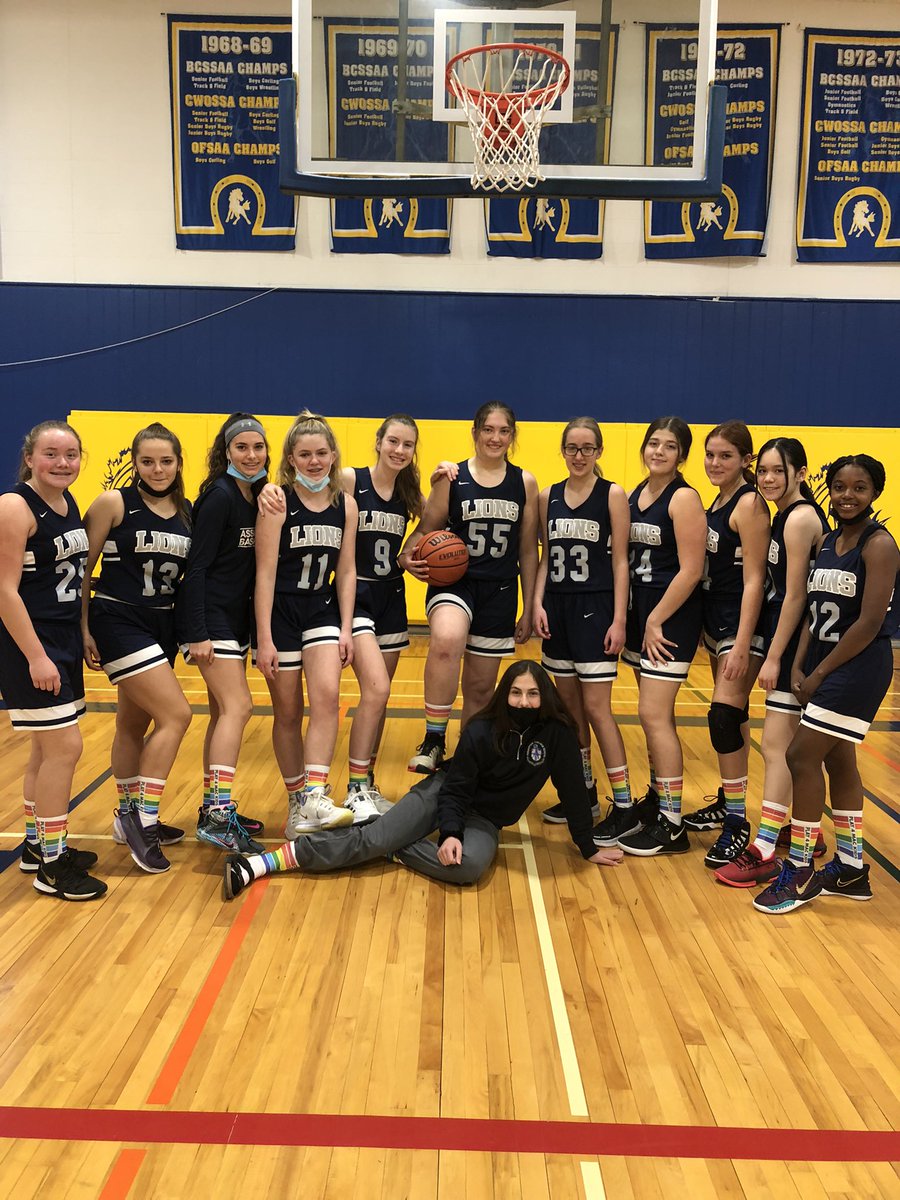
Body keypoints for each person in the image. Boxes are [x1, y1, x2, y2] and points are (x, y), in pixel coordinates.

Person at [221, 660, 624, 899]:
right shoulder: (483, 730)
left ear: (545, 697)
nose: (523, 702)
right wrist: (448, 831)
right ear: (505, 695)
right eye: (516, 693)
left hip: (483, 819)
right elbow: (459, 786)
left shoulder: (558, 735)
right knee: (371, 840)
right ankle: (260, 864)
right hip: (443, 794)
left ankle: (393, 842)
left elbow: (573, 790)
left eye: (532, 694)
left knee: (467, 868)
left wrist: (587, 846)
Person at [754, 454, 899, 914]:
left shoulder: (879, 546)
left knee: (799, 754)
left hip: (858, 666)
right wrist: (799, 665)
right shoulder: (829, 541)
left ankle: (799, 871)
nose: (847, 496)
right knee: (839, 759)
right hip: (821, 660)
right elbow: (813, 616)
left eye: (859, 488)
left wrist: (818, 673)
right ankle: (853, 868)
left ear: (874, 492)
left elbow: (870, 622)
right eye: (839, 486)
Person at [400, 402, 539, 774]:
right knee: (446, 640)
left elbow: (527, 548)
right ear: (475, 432)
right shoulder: (452, 477)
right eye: (488, 430)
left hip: (500, 590)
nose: (495, 438)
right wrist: (405, 557)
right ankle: (433, 739)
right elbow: (426, 530)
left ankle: (465, 759)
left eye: (504, 431)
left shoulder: (524, 482)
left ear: (512, 436)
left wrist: (528, 605)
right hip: (455, 583)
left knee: (480, 688)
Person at [714, 438, 829, 886]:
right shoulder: (784, 514)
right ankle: (807, 831)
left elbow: (796, 596)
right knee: (789, 747)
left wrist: (775, 656)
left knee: (779, 746)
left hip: (802, 646)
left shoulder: (800, 519)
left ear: (800, 473)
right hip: (798, 641)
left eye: (777, 471)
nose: (767, 479)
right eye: (762, 471)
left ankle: (763, 847)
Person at [0, 420, 105, 900]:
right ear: (29, 458)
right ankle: (53, 865)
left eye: (70, 454)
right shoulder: (14, 507)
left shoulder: (67, 503)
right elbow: (4, 590)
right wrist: (37, 657)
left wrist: (79, 634)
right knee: (65, 748)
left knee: (46, 749)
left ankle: (35, 846)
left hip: (61, 637)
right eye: (51, 454)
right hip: (31, 642)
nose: (62, 463)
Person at [81, 423, 192, 874]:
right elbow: (79, 573)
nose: (157, 469)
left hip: (161, 624)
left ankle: (122, 814)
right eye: (147, 461)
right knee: (177, 716)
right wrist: (83, 629)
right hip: (118, 617)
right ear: (135, 463)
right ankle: (140, 819)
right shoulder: (114, 503)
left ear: (178, 463)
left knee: (132, 722)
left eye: (166, 461)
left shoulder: (188, 512)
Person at [254, 412, 359, 836]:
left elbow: (347, 570)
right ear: (290, 458)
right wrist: (263, 637)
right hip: (279, 610)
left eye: (321, 453)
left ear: (333, 455)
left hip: (322, 607)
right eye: (304, 454)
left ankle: (316, 795)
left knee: (328, 697)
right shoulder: (277, 501)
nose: (314, 461)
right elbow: (263, 573)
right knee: (288, 711)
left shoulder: (344, 503)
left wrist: (347, 627)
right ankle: (298, 802)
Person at [175, 413, 271, 854]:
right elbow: (195, 570)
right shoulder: (218, 496)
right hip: (210, 621)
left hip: (234, 621)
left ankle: (213, 809)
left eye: (257, 447)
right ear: (226, 452)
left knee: (221, 716)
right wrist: (196, 632)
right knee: (239, 707)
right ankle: (217, 815)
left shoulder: (256, 495)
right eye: (241, 448)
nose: (251, 456)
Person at [533, 418, 634, 838]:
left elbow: (620, 561)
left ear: (599, 452)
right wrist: (535, 602)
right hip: (557, 607)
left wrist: (620, 618)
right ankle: (586, 792)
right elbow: (544, 554)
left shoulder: (612, 494)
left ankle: (625, 804)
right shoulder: (546, 496)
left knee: (597, 709)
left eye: (587, 448)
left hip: (595, 608)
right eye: (572, 448)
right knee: (570, 712)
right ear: (562, 450)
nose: (579, 456)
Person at [682, 422, 771, 870]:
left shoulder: (750, 503)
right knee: (731, 716)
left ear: (745, 461)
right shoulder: (715, 501)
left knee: (723, 715)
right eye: (710, 455)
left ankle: (737, 822)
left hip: (742, 623)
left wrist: (741, 643)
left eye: (725, 457)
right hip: (717, 622)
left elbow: (756, 578)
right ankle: (726, 798)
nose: (715, 464)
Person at [617, 417, 707, 857]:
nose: (658, 451)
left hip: (669, 620)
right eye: (653, 443)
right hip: (642, 616)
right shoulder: (637, 494)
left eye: (669, 446)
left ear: (681, 456)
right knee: (651, 716)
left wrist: (655, 620)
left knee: (655, 716)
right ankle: (657, 799)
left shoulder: (684, 498)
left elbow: (692, 569)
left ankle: (672, 823)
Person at [340, 414, 424, 816]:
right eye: (393, 441)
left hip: (391, 596)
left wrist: (409, 551)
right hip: (355, 596)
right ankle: (355, 787)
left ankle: (365, 782)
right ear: (378, 441)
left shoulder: (409, 493)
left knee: (381, 697)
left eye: (407, 445)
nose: (399, 450)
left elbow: (439, 516)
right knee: (376, 690)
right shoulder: (350, 479)